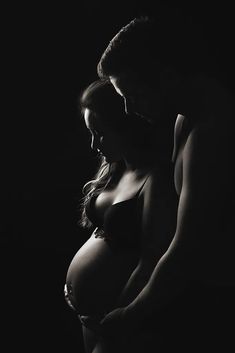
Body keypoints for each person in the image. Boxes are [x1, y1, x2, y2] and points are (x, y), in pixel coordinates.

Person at [96, 12, 235, 351]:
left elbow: (188, 249)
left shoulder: (213, 133)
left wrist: (130, 314)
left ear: (168, 76)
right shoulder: (183, 120)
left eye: (133, 93)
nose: (128, 109)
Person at [64, 79, 178, 352]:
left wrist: (116, 316)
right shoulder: (114, 170)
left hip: (120, 322)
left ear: (125, 126)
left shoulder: (155, 180)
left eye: (100, 132)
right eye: (90, 132)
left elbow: (151, 260)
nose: (94, 144)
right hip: (90, 317)